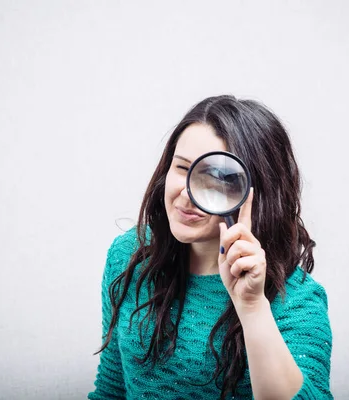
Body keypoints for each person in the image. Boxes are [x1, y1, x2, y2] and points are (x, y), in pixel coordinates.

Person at [88, 95, 333, 400]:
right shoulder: (129, 256)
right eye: (182, 168)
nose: (188, 194)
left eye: (219, 178)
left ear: (258, 193)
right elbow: (111, 390)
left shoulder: (297, 300)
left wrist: (253, 308)